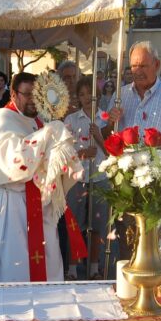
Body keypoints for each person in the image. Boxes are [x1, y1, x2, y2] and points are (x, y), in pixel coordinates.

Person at [0, 72, 83, 283]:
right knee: (13, 264)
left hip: (37, 202)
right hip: (8, 203)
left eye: (38, 95)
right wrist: (50, 134)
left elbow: (47, 160)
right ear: (14, 94)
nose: (34, 100)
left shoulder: (40, 122)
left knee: (46, 258)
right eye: (28, 95)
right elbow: (15, 158)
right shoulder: (1, 117)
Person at [104, 41, 161, 285]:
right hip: (127, 186)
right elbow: (109, 140)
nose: (138, 70)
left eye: (143, 65)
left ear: (157, 65)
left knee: (156, 248)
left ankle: (156, 294)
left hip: (160, 186)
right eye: (133, 65)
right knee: (128, 242)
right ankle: (129, 293)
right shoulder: (119, 96)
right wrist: (110, 122)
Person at [63, 78, 108, 279]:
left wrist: (99, 137)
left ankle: (94, 268)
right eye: (81, 95)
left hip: (100, 178)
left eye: (89, 93)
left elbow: (114, 152)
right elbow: (63, 152)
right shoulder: (71, 120)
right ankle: (72, 268)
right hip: (78, 179)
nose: (86, 98)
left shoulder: (106, 119)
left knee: (97, 226)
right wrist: (81, 153)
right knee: (76, 225)